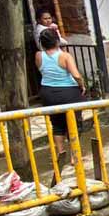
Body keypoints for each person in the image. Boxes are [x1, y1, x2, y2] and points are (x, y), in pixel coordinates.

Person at [35, 28, 86, 164]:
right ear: (57, 41)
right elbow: (76, 75)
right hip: (68, 92)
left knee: (57, 124)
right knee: (73, 123)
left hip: (48, 93)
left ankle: (61, 153)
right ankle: (74, 156)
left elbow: (42, 71)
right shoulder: (65, 56)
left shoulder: (39, 56)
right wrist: (82, 85)